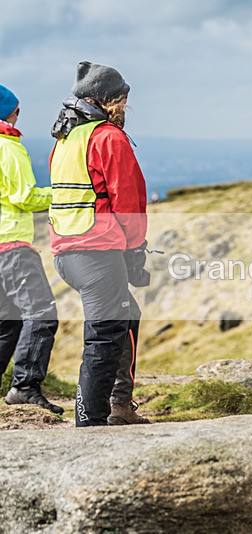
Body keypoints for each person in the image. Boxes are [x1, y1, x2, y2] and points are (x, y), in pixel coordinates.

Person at [49, 62, 151, 426]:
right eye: (123, 99)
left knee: (125, 316)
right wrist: (135, 249)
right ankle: (91, 419)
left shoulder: (65, 138)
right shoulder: (108, 137)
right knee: (105, 334)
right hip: (96, 251)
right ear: (112, 100)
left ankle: (119, 405)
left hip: (67, 252)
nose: (125, 106)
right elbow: (129, 201)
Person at [0, 84, 63, 414]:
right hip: (13, 245)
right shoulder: (8, 147)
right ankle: (24, 386)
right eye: (17, 110)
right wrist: (60, 195)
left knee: (7, 323)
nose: (18, 116)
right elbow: (24, 197)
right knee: (41, 314)